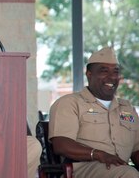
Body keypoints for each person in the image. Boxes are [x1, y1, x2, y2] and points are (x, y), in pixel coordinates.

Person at [49, 47, 139, 177]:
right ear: (89, 74)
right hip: (84, 169)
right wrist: (99, 154)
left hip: (121, 170)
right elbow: (61, 144)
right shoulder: (70, 103)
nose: (111, 77)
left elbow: (136, 150)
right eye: (104, 71)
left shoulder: (127, 108)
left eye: (116, 72)